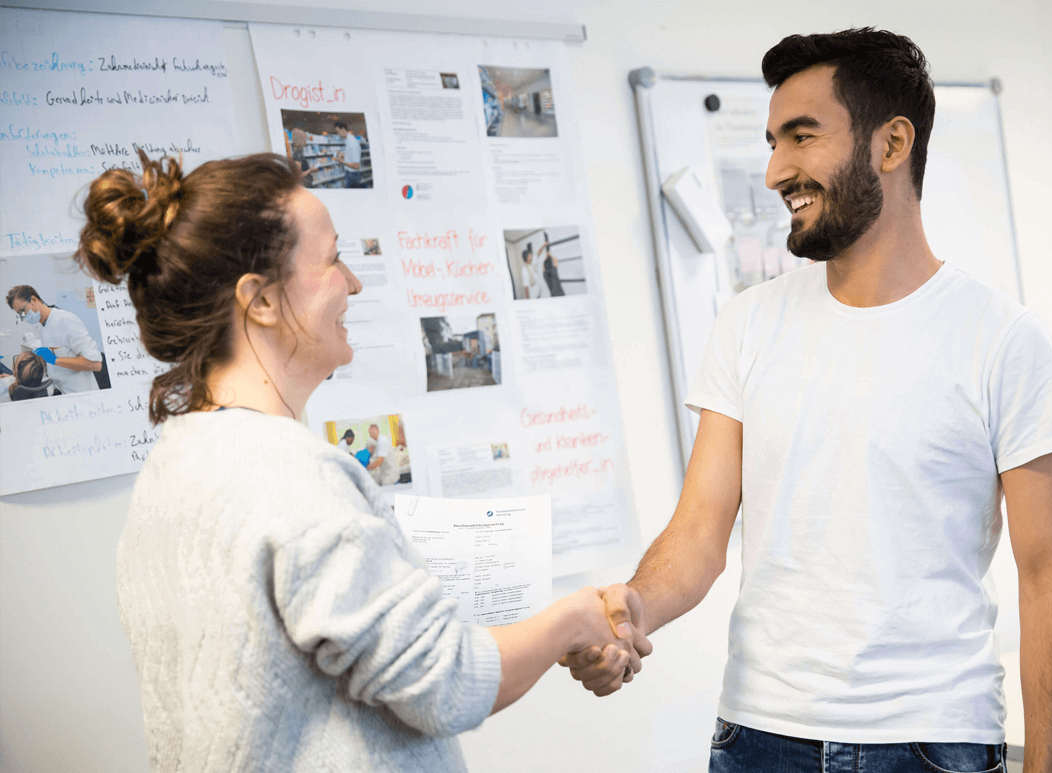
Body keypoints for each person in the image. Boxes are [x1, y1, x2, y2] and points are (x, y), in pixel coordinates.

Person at [562, 28, 1052, 773]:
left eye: (801, 137)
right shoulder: (748, 323)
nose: (776, 170)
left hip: (932, 741)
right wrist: (633, 610)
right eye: (773, 142)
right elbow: (700, 533)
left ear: (892, 143)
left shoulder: (1003, 339)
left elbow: (1051, 577)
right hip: (758, 735)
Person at [75, 149, 637, 772]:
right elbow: (448, 684)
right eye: (333, 260)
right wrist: (573, 618)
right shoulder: (290, 473)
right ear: (260, 301)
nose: (354, 282)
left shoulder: (173, 464)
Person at [6, 284, 103, 393]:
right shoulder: (44, 327)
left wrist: (54, 360)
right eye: (20, 314)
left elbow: (95, 364)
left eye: (23, 310)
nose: (23, 316)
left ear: (33, 300)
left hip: (82, 393)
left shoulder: (66, 320)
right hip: (63, 392)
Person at [334, 120, 363, 188]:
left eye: (338, 131)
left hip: (353, 175)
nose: (338, 134)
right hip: (348, 172)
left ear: (343, 129)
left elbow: (356, 166)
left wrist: (343, 161)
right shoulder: (347, 140)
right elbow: (350, 154)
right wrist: (342, 154)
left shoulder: (353, 142)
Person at [537, 232, 565, 297]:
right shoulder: (553, 272)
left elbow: (543, 267)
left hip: (553, 296)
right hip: (560, 294)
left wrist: (545, 259)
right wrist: (550, 255)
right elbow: (556, 260)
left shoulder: (545, 276)